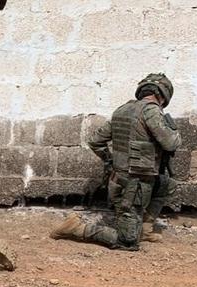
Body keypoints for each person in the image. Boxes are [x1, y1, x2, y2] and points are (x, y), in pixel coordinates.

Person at [51, 73, 181, 250]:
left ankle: (145, 229)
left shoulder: (122, 110)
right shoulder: (151, 110)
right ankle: (78, 228)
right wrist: (173, 129)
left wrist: (111, 162)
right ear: (163, 95)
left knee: (167, 184)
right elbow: (170, 143)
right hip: (134, 184)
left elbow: (95, 141)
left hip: (124, 179)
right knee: (127, 242)